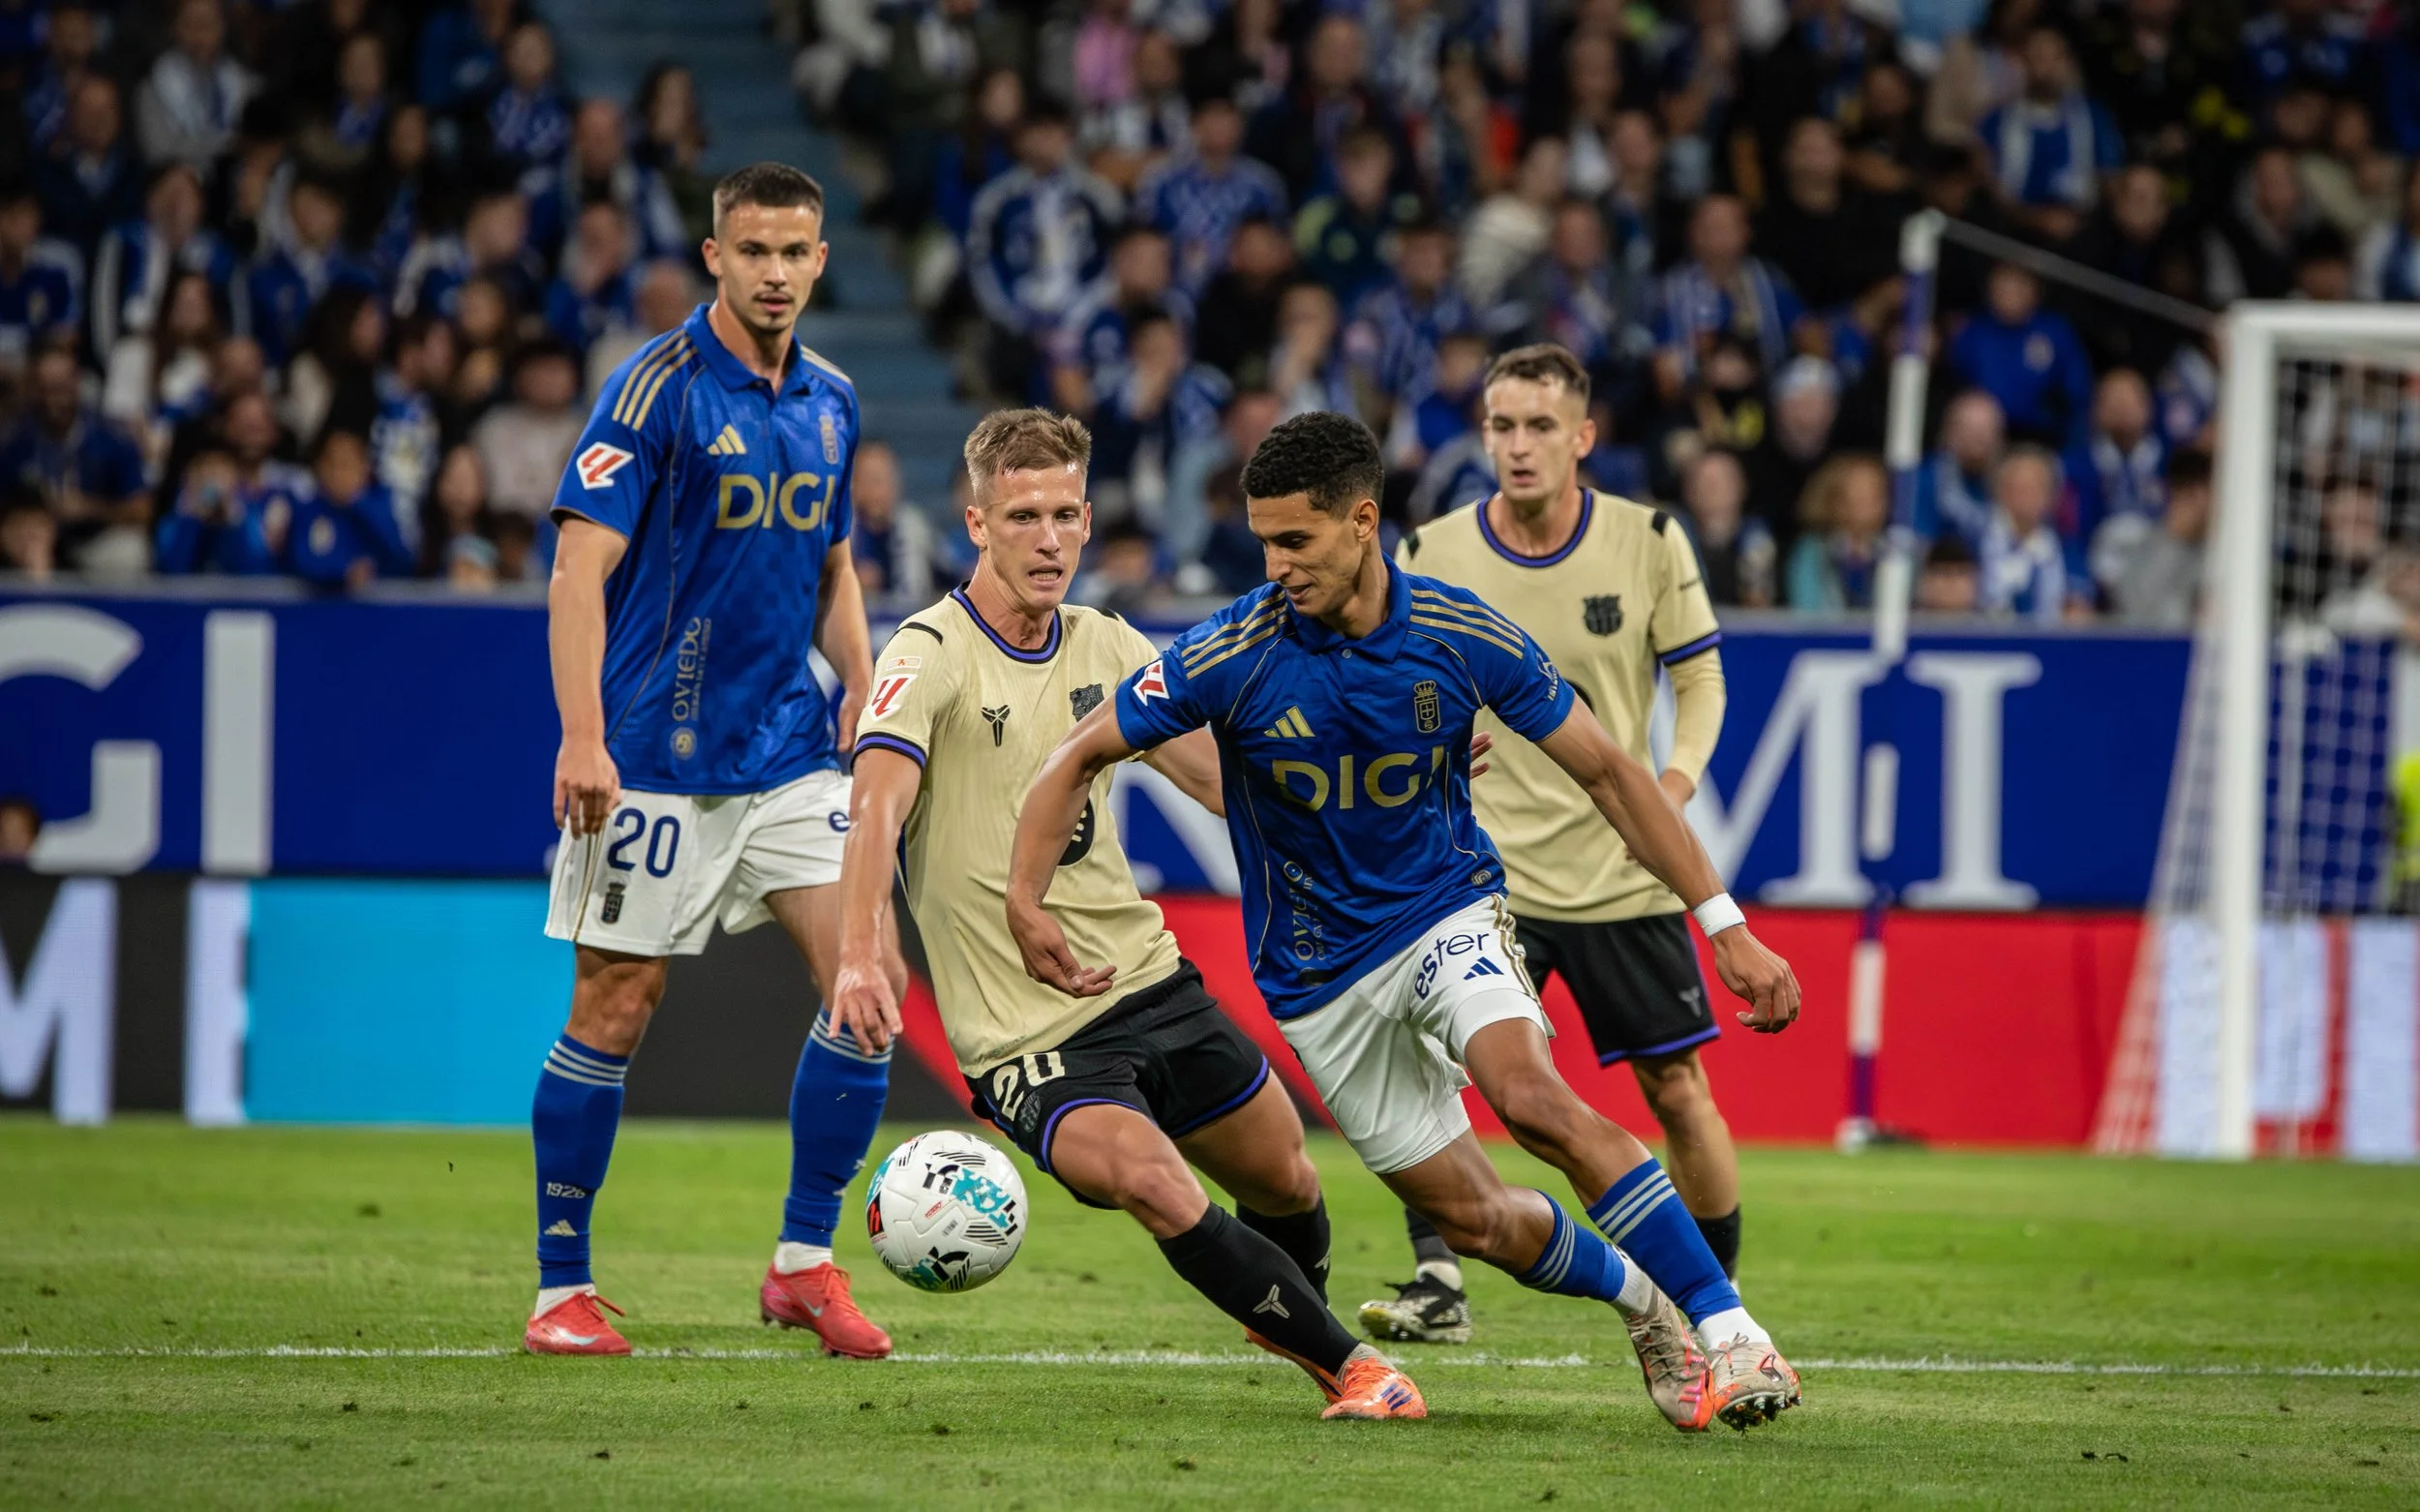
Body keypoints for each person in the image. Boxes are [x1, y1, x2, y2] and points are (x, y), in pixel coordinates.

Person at [1008, 410, 1805, 1433]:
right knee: (1476, 1222)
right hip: (1317, 981)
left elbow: (1610, 768)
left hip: (1444, 913)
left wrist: (1723, 919)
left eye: (1294, 539)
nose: (1274, 564)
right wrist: (1024, 899)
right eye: (1262, 541)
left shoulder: (1457, 633)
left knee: (1530, 1096)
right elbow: (1075, 753)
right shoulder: (1232, 650)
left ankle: (1732, 1329)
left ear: (1361, 522)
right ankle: (1642, 1300)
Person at [829, 408, 1424, 1422]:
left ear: (1091, 516)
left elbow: (1220, 780)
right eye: (1022, 516)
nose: (1048, 537)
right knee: (1154, 1180)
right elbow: (876, 805)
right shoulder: (927, 653)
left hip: (1146, 978)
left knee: (1284, 1172)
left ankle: (1282, 1307)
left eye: (1065, 513)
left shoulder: (1108, 641)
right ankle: (1353, 1368)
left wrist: (1386, 794)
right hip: (1025, 1032)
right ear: (976, 523)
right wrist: (860, 949)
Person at [528, 163, 906, 1362]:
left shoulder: (835, 400)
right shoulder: (654, 390)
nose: (776, 272)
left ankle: (802, 1262)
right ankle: (561, 1289)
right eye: (754, 251)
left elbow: (835, 565)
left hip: (789, 753)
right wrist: (583, 735)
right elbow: (576, 570)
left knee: (867, 986)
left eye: (796, 252)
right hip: (647, 757)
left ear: (822, 259)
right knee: (616, 1004)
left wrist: (860, 677)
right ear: (714, 257)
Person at [1374, 343, 1746, 1364]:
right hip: (1481, 877)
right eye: (1501, 425)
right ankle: (1439, 1276)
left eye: (1541, 425)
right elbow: (1384, 686)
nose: (1519, 444)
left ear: (1583, 436)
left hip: (1620, 870)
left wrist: (1668, 788)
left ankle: (1720, 1298)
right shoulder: (1430, 550)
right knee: (1430, 1074)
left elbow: (1702, 682)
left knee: (1676, 1089)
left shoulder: (1649, 540)